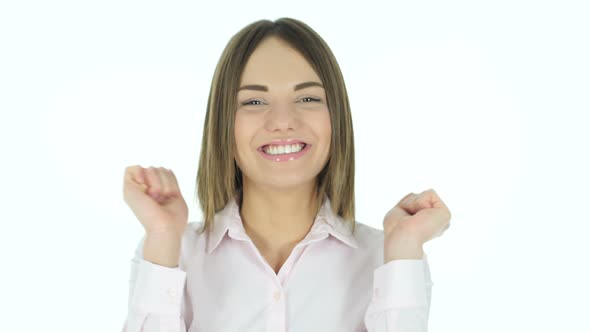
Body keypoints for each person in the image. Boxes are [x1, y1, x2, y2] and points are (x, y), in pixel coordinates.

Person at [121, 17, 451, 332]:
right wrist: (163, 236)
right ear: (224, 124)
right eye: (254, 101)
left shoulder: (388, 259)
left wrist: (404, 249)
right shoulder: (173, 254)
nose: (282, 120)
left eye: (307, 97)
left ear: (336, 117)